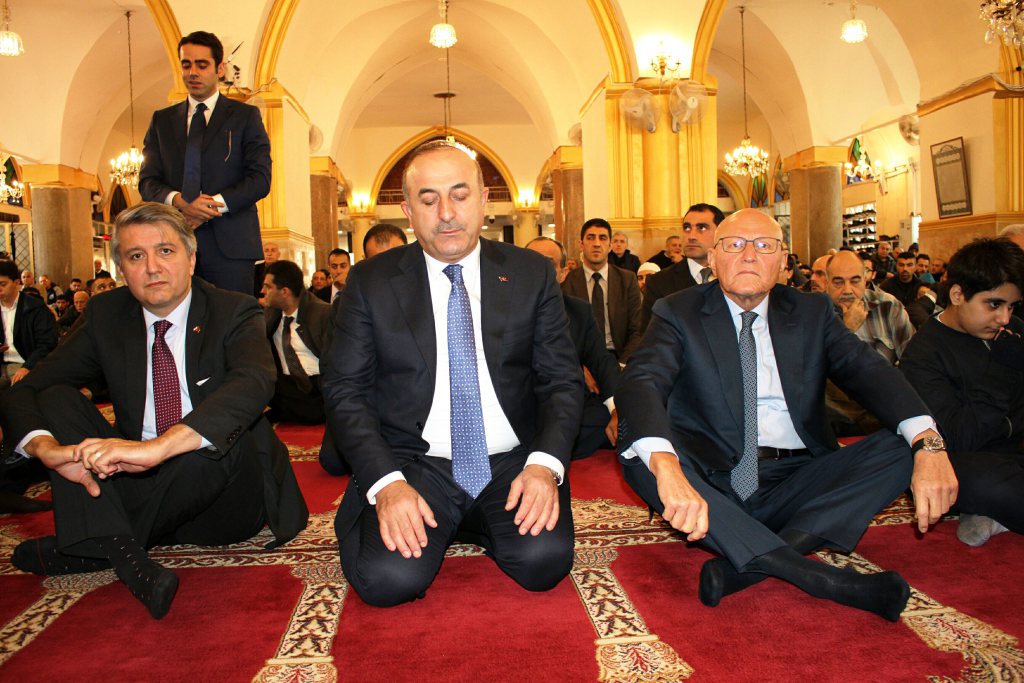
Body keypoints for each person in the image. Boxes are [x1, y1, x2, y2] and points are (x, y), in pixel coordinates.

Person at [616, 208, 957, 622]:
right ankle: (819, 578)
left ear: (783, 262)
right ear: (714, 258)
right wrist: (669, 466)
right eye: (734, 244)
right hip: (712, 483)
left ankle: (750, 562)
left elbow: (868, 371)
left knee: (905, 444)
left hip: (797, 478)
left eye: (763, 246)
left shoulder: (811, 312)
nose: (748, 256)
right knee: (640, 451)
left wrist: (929, 443)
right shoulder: (677, 311)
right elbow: (643, 381)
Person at [0, 202, 308, 619]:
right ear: (122, 269)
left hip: (222, 496)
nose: (152, 268)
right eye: (135, 256)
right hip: (136, 479)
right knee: (57, 397)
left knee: (216, 440)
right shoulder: (107, 315)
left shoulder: (233, 309)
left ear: (191, 258)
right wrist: (47, 450)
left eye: (165, 251)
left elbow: (252, 383)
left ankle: (95, 546)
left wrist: (160, 448)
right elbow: (32, 387)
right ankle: (128, 557)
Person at [324, 140, 582, 607]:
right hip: (415, 463)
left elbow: (561, 381)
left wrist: (544, 467)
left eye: (460, 195)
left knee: (544, 564)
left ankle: (473, 519)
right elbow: (346, 392)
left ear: (484, 200)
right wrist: (386, 485)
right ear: (408, 210)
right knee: (387, 582)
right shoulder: (371, 282)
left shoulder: (530, 274)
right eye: (428, 199)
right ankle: (437, 515)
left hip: (511, 459)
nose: (446, 212)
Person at [900, 238, 1024, 547]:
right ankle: (990, 509)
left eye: (1011, 307)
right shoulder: (923, 354)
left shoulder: (1013, 330)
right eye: (994, 304)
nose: (1004, 318)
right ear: (957, 294)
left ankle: (994, 515)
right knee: (980, 481)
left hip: (1015, 451)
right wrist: (1001, 369)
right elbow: (958, 438)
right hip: (975, 460)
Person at [139, 31, 272, 294]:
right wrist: (181, 203)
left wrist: (208, 207)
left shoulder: (245, 116)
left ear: (219, 68)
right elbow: (147, 181)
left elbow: (260, 180)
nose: (193, 73)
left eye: (202, 65)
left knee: (232, 325)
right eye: (186, 65)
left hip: (231, 245)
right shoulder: (162, 121)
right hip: (174, 241)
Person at [527, 236, 620, 459]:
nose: (537, 271)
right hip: (519, 405)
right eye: (530, 263)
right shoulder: (497, 311)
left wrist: (617, 410)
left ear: (562, 273)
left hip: (566, 404)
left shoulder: (579, 312)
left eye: (547, 265)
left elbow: (602, 362)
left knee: (609, 419)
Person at [261, 259, 342, 475]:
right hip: (288, 387)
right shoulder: (270, 315)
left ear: (284, 291)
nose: (262, 291)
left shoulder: (322, 313)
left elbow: (336, 362)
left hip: (317, 388)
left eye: (268, 287)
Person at [825, 250, 915, 436]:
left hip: (887, 414)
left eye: (855, 281)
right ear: (827, 282)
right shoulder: (815, 315)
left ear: (866, 279)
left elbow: (913, 361)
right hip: (837, 423)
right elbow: (812, 371)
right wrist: (846, 330)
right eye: (838, 282)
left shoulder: (888, 307)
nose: (847, 290)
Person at [561, 218, 644, 362]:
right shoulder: (567, 282)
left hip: (619, 355)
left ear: (610, 245)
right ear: (581, 244)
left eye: (603, 238)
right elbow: (563, 332)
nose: (597, 244)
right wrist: (580, 368)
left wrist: (623, 364)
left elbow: (637, 328)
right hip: (581, 360)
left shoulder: (627, 280)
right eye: (590, 238)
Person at [642, 204, 725, 329]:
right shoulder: (659, 282)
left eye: (701, 228)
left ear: (720, 233)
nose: (691, 236)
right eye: (686, 228)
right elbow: (650, 338)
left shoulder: (734, 278)